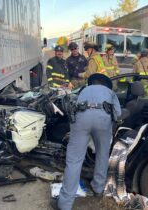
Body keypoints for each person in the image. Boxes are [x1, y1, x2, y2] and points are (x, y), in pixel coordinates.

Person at [51, 73, 121, 210]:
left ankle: (64, 204)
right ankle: (98, 188)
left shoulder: (84, 90)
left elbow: (72, 105)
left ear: (92, 83)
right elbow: (117, 114)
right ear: (105, 85)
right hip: (103, 120)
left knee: (74, 161)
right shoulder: (110, 92)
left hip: (81, 119)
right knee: (102, 155)